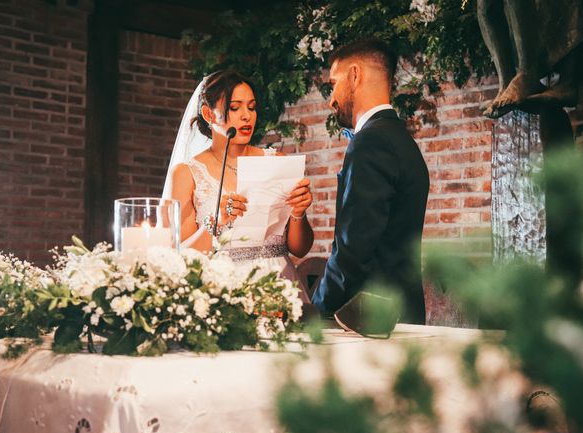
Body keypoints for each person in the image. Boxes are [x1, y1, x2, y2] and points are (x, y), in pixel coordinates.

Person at [163, 70, 314, 299]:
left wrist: (299, 214)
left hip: (280, 284)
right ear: (208, 114)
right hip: (222, 289)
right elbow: (181, 256)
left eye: (251, 107)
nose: (246, 116)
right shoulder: (187, 173)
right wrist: (216, 222)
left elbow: (300, 248)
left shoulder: (276, 162)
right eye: (235, 108)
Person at [311, 39, 430, 324]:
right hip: (403, 310)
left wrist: (315, 311)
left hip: (371, 318)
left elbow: (353, 250)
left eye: (334, 83)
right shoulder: (400, 139)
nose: (331, 99)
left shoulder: (371, 142)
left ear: (355, 75)